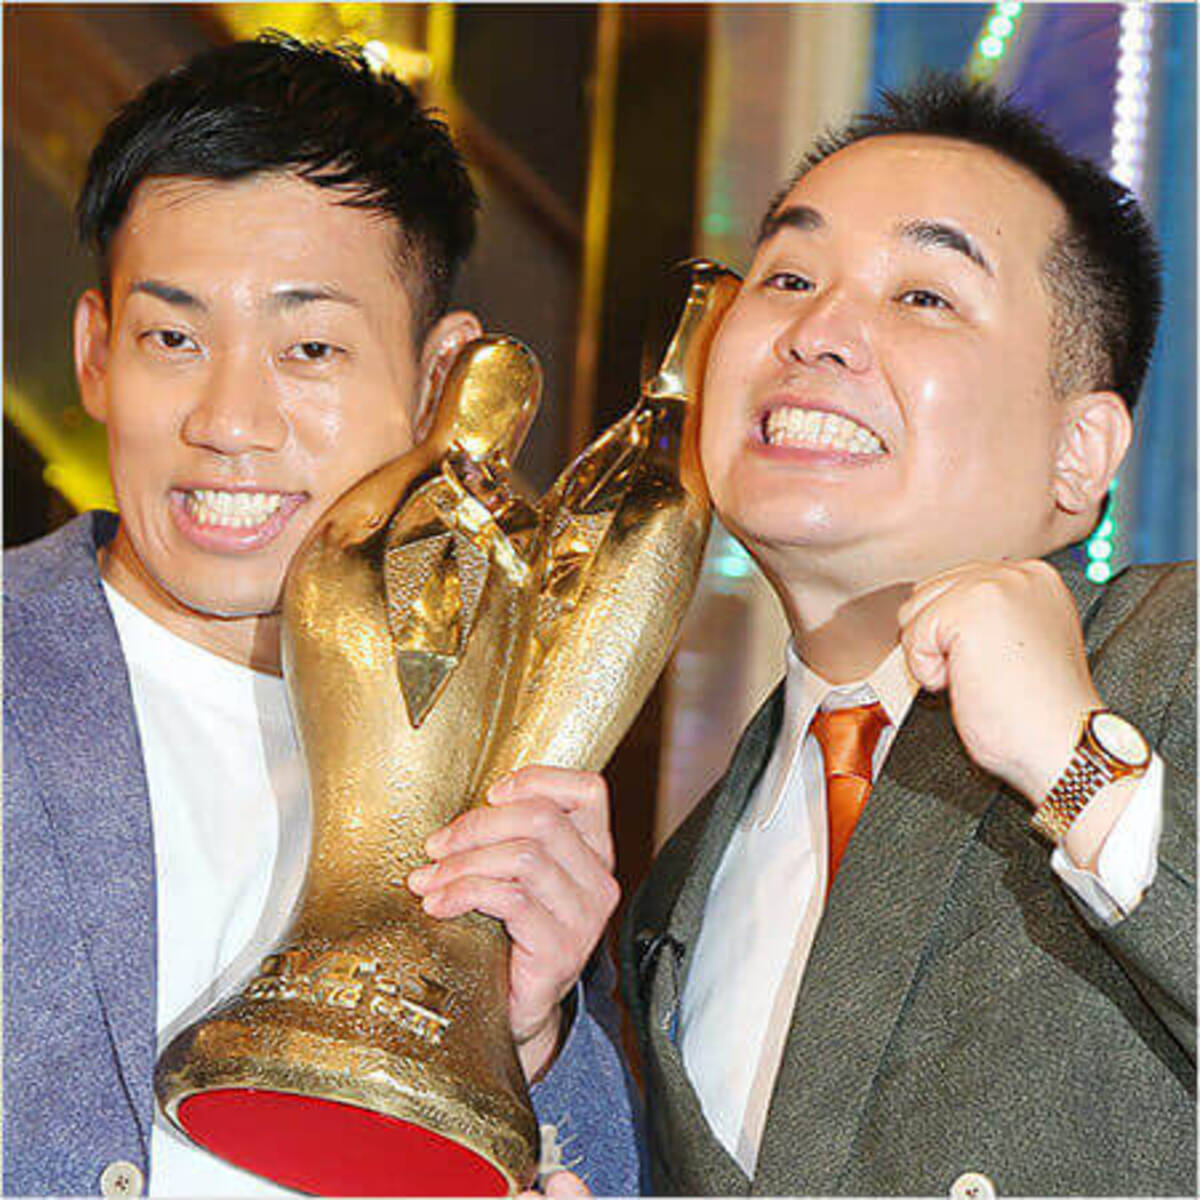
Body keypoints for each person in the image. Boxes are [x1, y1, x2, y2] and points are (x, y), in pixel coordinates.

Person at [429, 75, 1193, 1195]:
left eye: (924, 296)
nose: (817, 333)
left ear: (1078, 454)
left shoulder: (1171, 655)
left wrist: (1076, 767)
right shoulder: (676, 891)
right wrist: (539, 1053)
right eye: (788, 277)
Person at [3, 35, 637, 1198]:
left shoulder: (496, 761)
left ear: (442, 383)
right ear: (95, 353)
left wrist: (531, 1036)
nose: (230, 421)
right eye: (174, 338)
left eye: (309, 348)